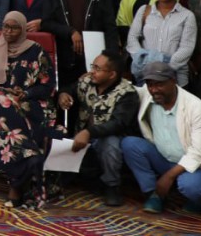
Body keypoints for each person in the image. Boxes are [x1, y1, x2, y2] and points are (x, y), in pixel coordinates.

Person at [0, 11, 57, 209]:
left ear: (23, 29)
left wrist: (26, 94)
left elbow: (47, 86)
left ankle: (16, 182)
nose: (8, 31)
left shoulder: (37, 51)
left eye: (14, 28)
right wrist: (6, 92)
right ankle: (27, 164)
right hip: (1, 106)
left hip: (31, 104)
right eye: (5, 27)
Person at [122, 62, 201, 214]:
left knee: (193, 187)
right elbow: (129, 88)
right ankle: (155, 194)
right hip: (163, 158)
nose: (154, 90)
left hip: (191, 165)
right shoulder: (149, 95)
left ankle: (196, 200)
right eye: (150, 85)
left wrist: (168, 177)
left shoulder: (195, 107)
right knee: (130, 144)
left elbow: (200, 152)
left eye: (159, 85)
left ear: (173, 81)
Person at [57, 48, 140, 206]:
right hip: (82, 137)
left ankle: (112, 186)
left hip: (107, 140)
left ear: (112, 74)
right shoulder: (87, 82)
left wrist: (89, 132)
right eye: (92, 66)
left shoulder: (127, 93)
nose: (92, 72)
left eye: (97, 69)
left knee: (111, 143)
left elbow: (118, 124)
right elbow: (68, 88)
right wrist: (63, 94)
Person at [43, 0, 119, 87]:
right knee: (67, 99)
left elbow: (109, 26)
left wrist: (111, 57)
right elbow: (46, 22)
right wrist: (70, 31)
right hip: (65, 56)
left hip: (94, 55)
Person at [127, 0, 197, 86]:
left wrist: (164, 68)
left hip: (174, 75)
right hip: (146, 74)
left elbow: (187, 47)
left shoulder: (187, 15)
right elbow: (132, 38)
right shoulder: (144, 11)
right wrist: (142, 60)